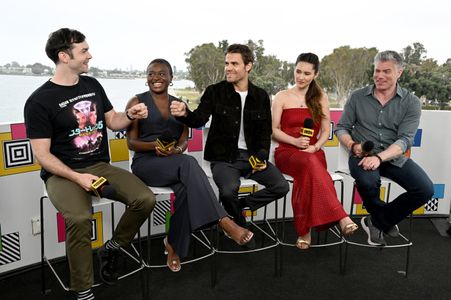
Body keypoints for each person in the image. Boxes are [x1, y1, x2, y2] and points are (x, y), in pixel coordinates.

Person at [24, 28, 156, 300]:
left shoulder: (93, 85)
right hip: (61, 173)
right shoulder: (38, 101)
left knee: (145, 198)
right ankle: (83, 289)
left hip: (98, 165)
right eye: (83, 51)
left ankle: (114, 247)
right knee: (80, 218)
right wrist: (76, 177)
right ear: (64, 56)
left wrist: (130, 114)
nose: (90, 55)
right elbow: (43, 155)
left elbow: (112, 121)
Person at [126, 58, 254, 272]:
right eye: (151, 73)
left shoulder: (179, 105)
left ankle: (173, 245)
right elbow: (131, 143)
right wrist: (154, 147)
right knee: (189, 163)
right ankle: (224, 220)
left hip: (174, 162)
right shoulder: (136, 102)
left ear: (171, 78)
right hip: (146, 162)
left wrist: (176, 149)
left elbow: (184, 141)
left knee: (187, 188)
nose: (156, 78)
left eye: (161, 73)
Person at [170, 44, 289, 228]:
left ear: (248, 66)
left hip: (252, 158)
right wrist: (185, 113)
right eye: (227, 63)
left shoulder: (261, 96)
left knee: (281, 187)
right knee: (227, 192)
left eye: (234, 63)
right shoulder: (214, 91)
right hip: (224, 159)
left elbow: (265, 131)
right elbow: (198, 119)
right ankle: (241, 226)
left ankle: (238, 208)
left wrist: (262, 156)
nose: (228, 68)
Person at [335, 50, 434, 246]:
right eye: (377, 70)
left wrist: (379, 158)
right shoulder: (357, 97)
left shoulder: (411, 102)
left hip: (392, 156)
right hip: (362, 156)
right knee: (368, 182)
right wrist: (352, 145)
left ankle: (377, 220)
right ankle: (383, 219)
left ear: (400, 73)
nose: (380, 76)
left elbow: (405, 140)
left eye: (386, 71)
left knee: (425, 189)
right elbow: (341, 128)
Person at [272, 53, 358, 250]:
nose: (301, 77)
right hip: (287, 153)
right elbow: (274, 130)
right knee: (310, 164)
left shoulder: (321, 97)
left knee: (309, 169)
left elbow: (326, 131)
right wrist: (294, 140)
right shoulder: (282, 96)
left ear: (315, 75)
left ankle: (304, 232)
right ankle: (342, 217)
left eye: (307, 73)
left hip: (313, 152)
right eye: (298, 71)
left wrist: (315, 146)